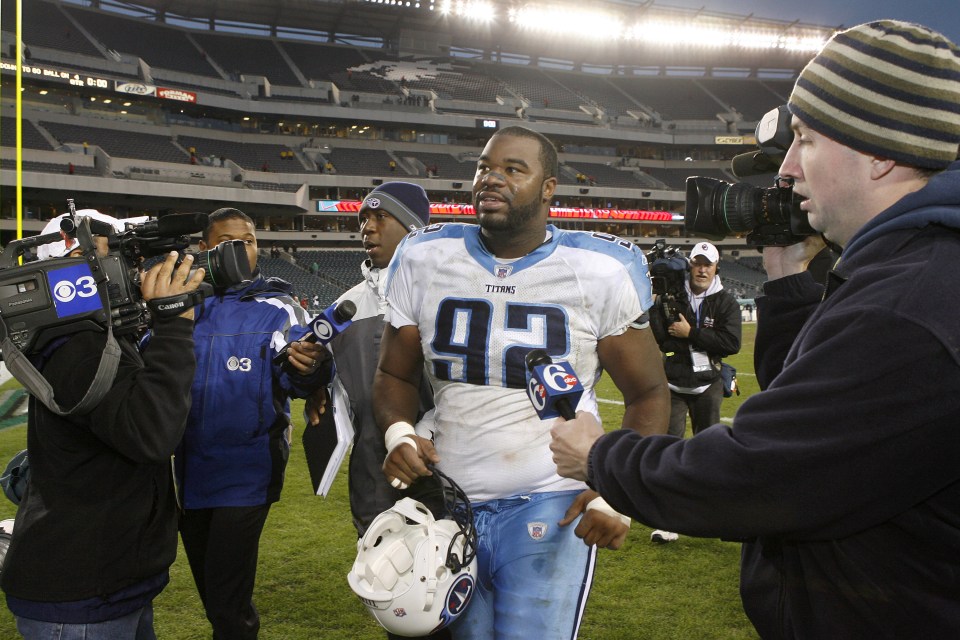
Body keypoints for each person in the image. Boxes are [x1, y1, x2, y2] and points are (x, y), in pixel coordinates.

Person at [550, 20, 960, 638]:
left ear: (879, 152)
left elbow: (757, 477)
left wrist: (599, 455)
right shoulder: (915, 269)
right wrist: (790, 273)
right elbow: (811, 403)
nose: (788, 169)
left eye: (807, 140)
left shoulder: (906, 302)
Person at [374, 126, 669, 638]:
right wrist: (398, 432)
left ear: (548, 188)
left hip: (548, 497)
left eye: (513, 169)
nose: (492, 178)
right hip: (448, 500)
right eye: (485, 167)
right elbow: (393, 373)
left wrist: (619, 491)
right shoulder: (424, 258)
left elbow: (648, 393)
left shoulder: (600, 269)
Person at [1, 210, 205, 639]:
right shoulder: (74, 346)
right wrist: (172, 328)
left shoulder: (91, 339)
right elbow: (151, 432)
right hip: (79, 597)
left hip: (107, 583)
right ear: (69, 265)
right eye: (113, 257)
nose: (130, 271)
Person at [175, 207, 330, 639]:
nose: (243, 249)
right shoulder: (181, 306)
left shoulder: (277, 307)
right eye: (229, 241)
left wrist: (311, 369)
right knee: (214, 597)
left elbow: (300, 369)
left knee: (227, 602)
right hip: (188, 473)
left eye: (250, 240)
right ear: (204, 249)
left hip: (246, 471)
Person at [319, 182, 443, 640]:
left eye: (380, 218)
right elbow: (326, 389)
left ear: (412, 228)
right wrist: (307, 370)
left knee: (444, 590)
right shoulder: (345, 305)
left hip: (440, 465)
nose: (366, 228)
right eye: (362, 221)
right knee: (394, 595)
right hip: (372, 471)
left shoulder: (446, 294)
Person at [646, 240, 741, 544]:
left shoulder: (725, 301)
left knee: (708, 453)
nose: (702, 269)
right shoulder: (671, 295)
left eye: (707, 264)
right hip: (673, 382)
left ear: (716, 268)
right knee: (670, 451)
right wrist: (657, 306)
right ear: (690, 266)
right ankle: (667, 520)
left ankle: (708, 513)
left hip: (708, 384)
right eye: (697, 263)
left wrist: (692, 334)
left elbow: (731, 343)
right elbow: (660, 338)